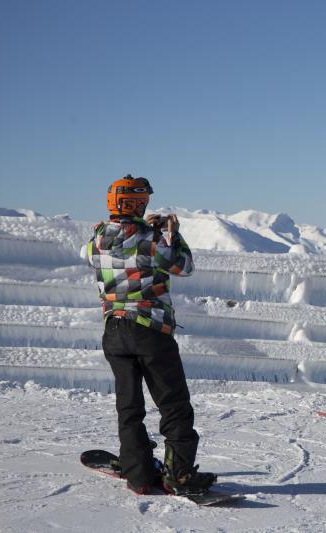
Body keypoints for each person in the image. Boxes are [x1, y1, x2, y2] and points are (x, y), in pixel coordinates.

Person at [86, 174, 215, 495]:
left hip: (113, 331)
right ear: (140, 203)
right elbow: (183, 266)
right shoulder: (154, 240)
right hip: (150, 330)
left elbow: (104, 252)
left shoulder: (96, 240)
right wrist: (173, 234)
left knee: (129, 407)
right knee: (173, 405)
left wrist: (145, 229)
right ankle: (179, 474)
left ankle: (139, 475)